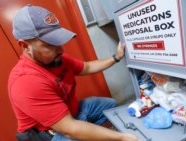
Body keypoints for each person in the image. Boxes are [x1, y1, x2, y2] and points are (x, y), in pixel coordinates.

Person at [8, 4, 139, 141]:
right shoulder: (26, 81)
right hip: (53, 133)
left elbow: (87, 67)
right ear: (25, 46)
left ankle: (92, 134)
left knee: (110, 106)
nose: (60, 50)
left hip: (73, 113)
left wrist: (116, 57)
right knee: (76, 134)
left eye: (58, 41)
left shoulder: (57, 58)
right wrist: (122, 137)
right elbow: (70, 129)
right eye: (49, 44)